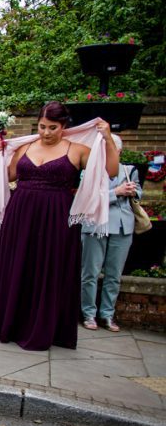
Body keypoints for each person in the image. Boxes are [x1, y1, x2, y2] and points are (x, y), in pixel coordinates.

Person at [0, 102, 119, 350]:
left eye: (52, 127)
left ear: (64, 126)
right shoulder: (25, 147)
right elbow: (3, 176)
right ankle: (12, 323)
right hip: (21, 214)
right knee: (19, 265)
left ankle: (44, 327)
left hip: (57, 217)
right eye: (42, 126)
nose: (46, 132)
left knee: (49, 268)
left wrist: (108, 139)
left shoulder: (78, 150)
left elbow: (110, 171)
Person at [81, 134, 139, 333]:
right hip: (96, 226)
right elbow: (88, 199)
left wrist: (132, 190)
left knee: (114, 275)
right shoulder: (89, 171)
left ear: (119, 151)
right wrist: (117, 192)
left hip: (123, 227)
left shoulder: (129, 170)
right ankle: (88, 313)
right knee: (90, 273)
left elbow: (139, 192)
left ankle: (107, 314)